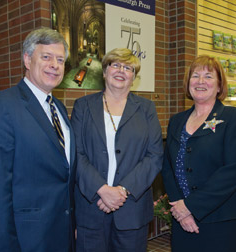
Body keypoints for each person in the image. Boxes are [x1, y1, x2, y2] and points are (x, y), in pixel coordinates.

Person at [0, 27, 76, 251]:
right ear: (27, 60)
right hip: (26, 241)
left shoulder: (57, 107)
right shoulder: (0, 107)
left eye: (60, 60)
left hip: (61, 236)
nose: (54, 65)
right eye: (46, 57)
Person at [71, 48, 163, 252]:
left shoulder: (146, 109)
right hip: (91, 205)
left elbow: (154, 155)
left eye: (128, 67)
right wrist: (102, 189)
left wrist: (122, 191)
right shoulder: (83, 107)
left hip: (131, 209)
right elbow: (75, 153)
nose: (121, 70)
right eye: (115, 65)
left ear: (134, 78)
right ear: (104, 71)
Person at [162, 55, 236, 252]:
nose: (201, 81)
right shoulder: (177, 121)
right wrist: (180, 208)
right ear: (188, 83)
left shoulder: (233, 118)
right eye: (195, 76)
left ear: (219, 86)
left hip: (222, 219)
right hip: (182, 218)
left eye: (208, 76)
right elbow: (167, 167)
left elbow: (232, 171)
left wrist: (190, 207)